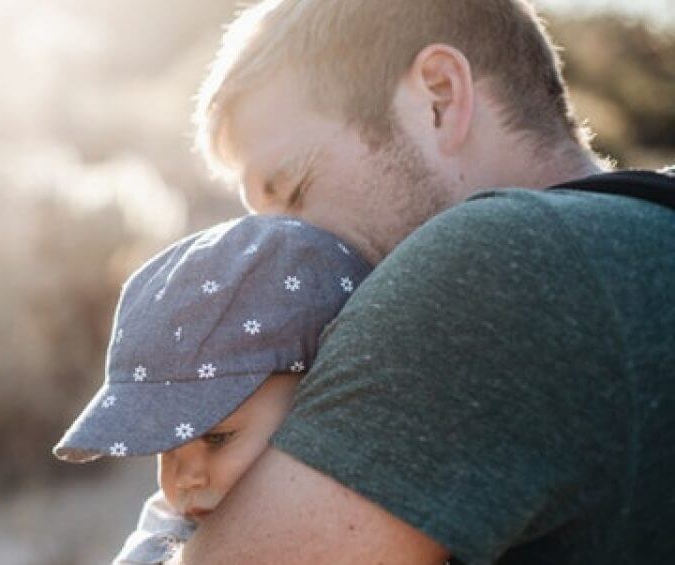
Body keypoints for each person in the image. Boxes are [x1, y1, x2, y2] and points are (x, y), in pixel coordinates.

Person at [178, 0, 675, 563]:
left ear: (439, 96)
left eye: (295, 190)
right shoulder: (646, 235)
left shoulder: (491, 265)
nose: (281, 259)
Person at [51, 215, 371, 563]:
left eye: (217, 438)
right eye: (167, 446)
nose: (185, 479)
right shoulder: (166, 534)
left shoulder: (374, 518)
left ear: (319, 396)